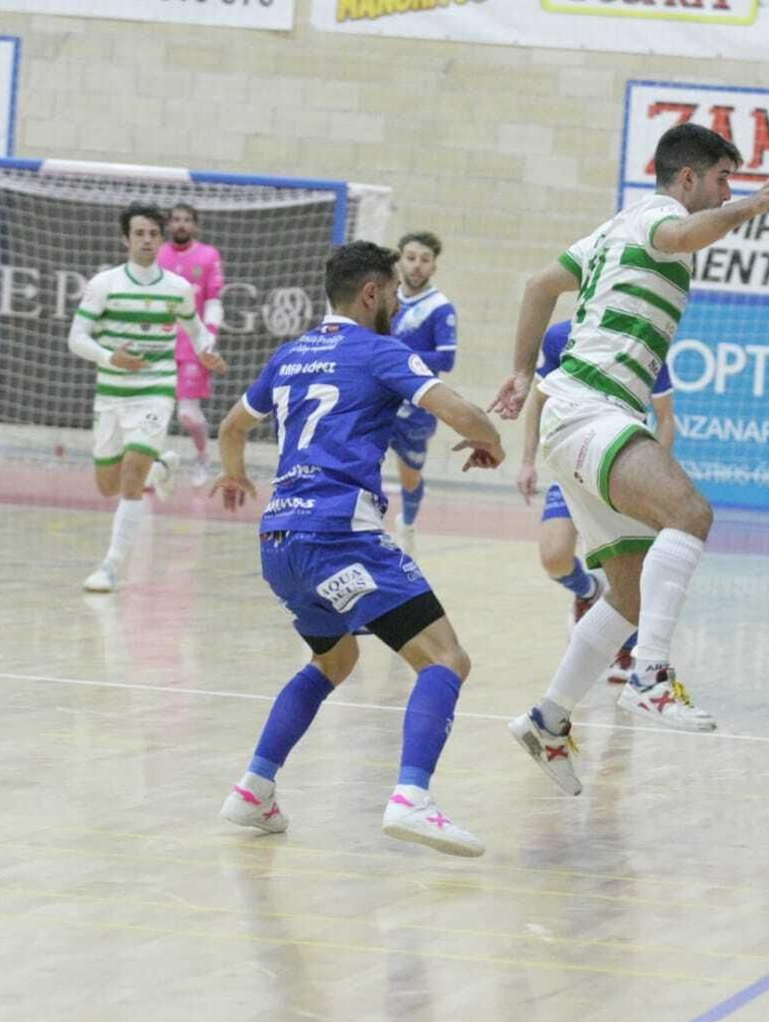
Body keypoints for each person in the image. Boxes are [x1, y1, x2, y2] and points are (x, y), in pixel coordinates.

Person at [490, 123, 769, 794]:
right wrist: (751, 207)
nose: (726, 194)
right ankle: (650, 673)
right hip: (592, 408)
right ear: (687, 180)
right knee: (689, 510)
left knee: (626, 592)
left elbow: (541, 284)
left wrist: (519, 370)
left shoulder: (611, 229)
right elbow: (685, 235)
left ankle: (548, 718)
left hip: (582, 413)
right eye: (720, 182)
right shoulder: (660, 214)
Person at [211, 240, 504, 857]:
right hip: (341, 534)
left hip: (279, 541)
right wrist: (492, 442)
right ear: (371, 293)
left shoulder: (289, 356)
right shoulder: (379, 351)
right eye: (395, 292)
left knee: (335, 661)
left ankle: (253, 788)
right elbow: (462, 413)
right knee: (445, 659)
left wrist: (236, 475)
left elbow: (232, 427)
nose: (399, 302)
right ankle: (412, 799)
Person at [68, 202, 224, 595]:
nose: (147, 240)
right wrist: (110, 357)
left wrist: (207, 347)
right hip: (111, 393)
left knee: (132, 476)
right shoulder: (104, 284)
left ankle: (111, 566)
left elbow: (196, 330)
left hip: (155, 388)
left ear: (161, 239)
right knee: (108, 486)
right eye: (139, 233)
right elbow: (77, 339)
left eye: (153, 233)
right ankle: (160, 468)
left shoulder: (178, 288)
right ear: (126, 238)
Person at [514, 320, 675, 686]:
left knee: (630, 571)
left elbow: (665, 418)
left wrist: (656, 473)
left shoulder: (648, 340)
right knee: (553, 557)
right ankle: (588, 592)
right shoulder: (560, 336)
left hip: (623, 464)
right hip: (572, 459)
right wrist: (526, 460)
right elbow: (538, 401)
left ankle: (628, 652)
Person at [384, 231, 457, 553]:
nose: (416, 265)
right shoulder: (383, 298)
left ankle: (408, 524)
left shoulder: (440, 308)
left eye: (424, 260)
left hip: (416, 403)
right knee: (359, 459)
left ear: (434, 268)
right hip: (378, 395)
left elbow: (446, 358)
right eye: (411, 258)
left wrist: (398, 356)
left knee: (410, 475)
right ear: (400, 260)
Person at [157, 202, 226, 487]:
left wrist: (208, 336)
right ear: (169, 224)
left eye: (187, 220)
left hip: (192, 344)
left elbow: (213, 299)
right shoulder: (158, 254)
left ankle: (202, 456)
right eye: (176, 219)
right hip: (158, 343)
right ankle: (154, 466)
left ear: (195, 225)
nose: (181, 224)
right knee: (155, 410)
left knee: (187, 415)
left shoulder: (208, 256)